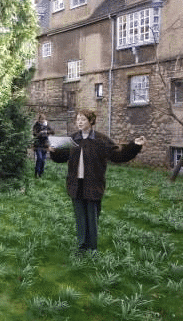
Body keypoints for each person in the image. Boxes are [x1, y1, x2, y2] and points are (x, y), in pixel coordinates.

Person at [50, 109, 146, 255]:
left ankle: (92, 249)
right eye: (78, 120)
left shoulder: (101, 140)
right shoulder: (72, 139)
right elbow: (60, 157)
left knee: (92, 218)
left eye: (83, 119)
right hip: (75, 185)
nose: (80, 122)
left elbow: (118, 155)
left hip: (93, 185)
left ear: (91, 121)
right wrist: (53, 151)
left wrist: (134, 146)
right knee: (80, 218)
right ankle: (82, 247)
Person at [33, 113, 55, 178]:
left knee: (43, 160)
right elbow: (35, 134)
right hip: (38, 145)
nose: (43, 120)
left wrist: (46, 131)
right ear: (39, 119)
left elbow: (53, 132)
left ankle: (40, 174)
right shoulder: (36, 125)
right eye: (41, 119)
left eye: (44, 119)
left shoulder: (46, 125)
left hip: (45, 145)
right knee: (39, 158)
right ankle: (36, 173)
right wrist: (41, 133)